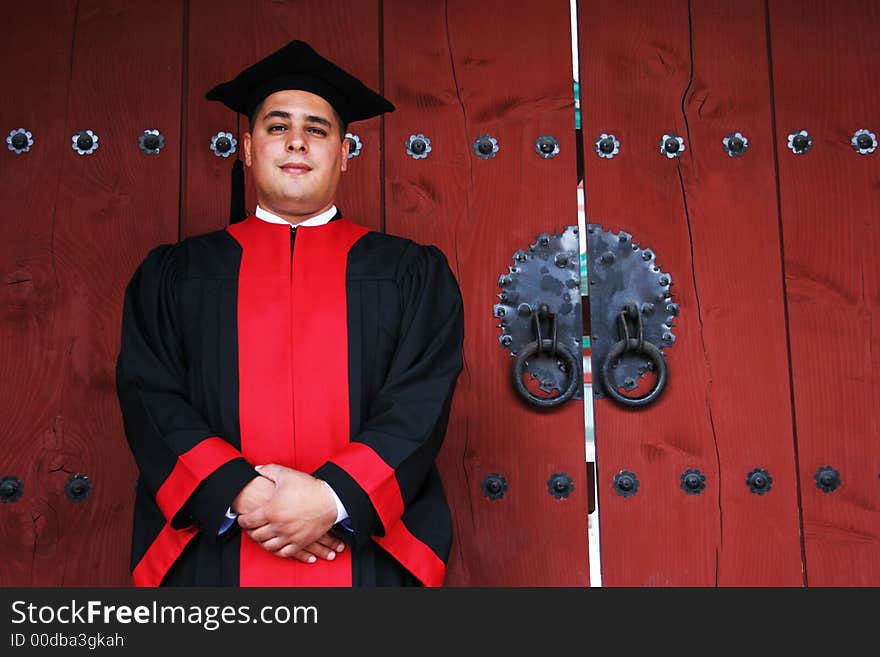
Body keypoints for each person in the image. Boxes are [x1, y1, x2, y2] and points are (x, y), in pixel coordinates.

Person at [115, 39, 464, 587]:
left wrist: (333, 498)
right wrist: (241, 494)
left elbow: (420, 403)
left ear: (345, 153)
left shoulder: (410, 274)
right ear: (249, 148)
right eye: (277, 127)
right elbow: (150, 395)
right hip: (216, 554)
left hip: (365, 555)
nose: (296, 141)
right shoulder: (176, 275)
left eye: (317, 129)